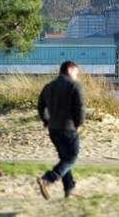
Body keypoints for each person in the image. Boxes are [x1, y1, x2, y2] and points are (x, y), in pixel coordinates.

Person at [36, 60, 85, 199]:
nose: (77, 75)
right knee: (72, 157)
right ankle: (48, 179)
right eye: (76, 72)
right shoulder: (74, 86)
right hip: (68, 128)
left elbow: (40, 106)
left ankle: (69, 187)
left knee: (64, 158)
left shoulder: (49, 86)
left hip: (53, 129)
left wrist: (46, 120)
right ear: (70, 69)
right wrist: (79, 123)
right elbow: (80, 107)